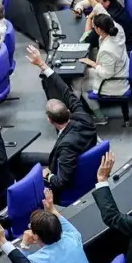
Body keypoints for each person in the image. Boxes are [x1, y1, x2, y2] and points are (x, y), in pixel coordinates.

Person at [23, 47, 100, 191]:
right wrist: (42, 64)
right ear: (69, 110)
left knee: (22, 162)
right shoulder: (83, 118)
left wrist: (48, 176)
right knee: (25, 158)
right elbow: (64, 90)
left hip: (66, 177)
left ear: (50, 120)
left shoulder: (66, 147)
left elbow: (61, 182)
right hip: (74, 156)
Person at [81, 13, 129, 96]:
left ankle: (94, 108)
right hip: (120, 72)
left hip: (113, 85)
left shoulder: (106, 50)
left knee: (77, 83)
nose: (93, 29)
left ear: (99, 30)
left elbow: (107, 74)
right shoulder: (118, 34)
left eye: (94, 27)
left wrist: (92, 63)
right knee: (85, 72)